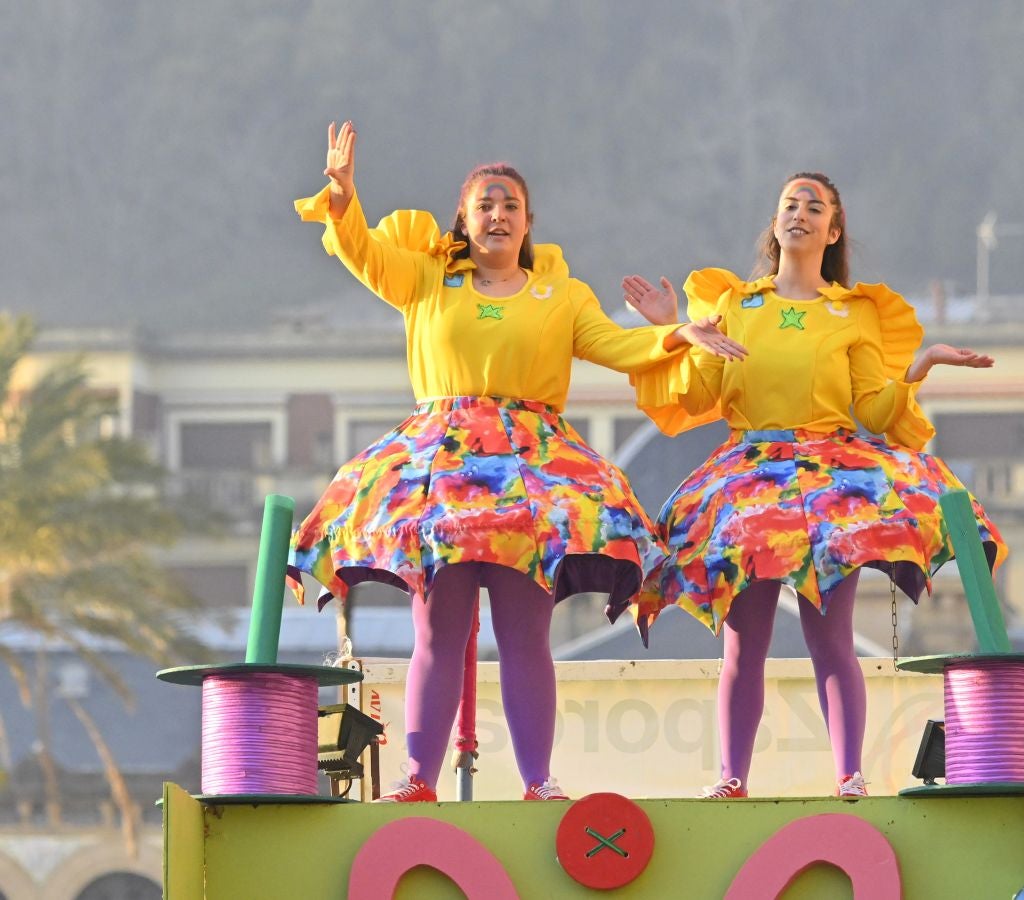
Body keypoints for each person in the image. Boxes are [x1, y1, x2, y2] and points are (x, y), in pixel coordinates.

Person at [289, 121, 737, 802]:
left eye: (510, 207)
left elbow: (620, 350)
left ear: (528, 223)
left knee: (526, 631)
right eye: (484, 206)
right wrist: (345, 197)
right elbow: (362, 256)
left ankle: (538, 780)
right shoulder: (428, 277)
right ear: (463, 221)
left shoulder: (561, 296)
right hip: (441, 469)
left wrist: (675, 331)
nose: (497, 215)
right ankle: (418, 779)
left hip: (532, 474)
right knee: (438, 629)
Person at [624, 172, 1007, 798]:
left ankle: (849, 775)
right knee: (745, 639)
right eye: (789, 204)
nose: (799, 213)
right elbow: (700, 395)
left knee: (830, 634)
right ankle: (732, 777)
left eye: (815, 207)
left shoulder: (851, 315)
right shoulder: (736, 306)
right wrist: (674, 329)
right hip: (750, 478)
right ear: (775, 225)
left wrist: (921, 365)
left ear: (833, 232)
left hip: (831, 482)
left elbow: (878, 413)